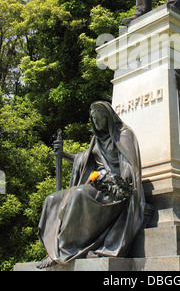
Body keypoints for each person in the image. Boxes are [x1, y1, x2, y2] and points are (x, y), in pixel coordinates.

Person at [38, 101, 145, 268]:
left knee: (79, 194)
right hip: (97, 184)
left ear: (108, 117)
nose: (95, 122)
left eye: (98, 118)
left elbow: (130, 166)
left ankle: (66, 249)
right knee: (52, 199)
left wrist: (118, 183)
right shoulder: (97, 139)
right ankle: (54, 248)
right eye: (93, 119)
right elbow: (84, 159)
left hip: (113, 186)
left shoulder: (123, 134)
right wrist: (63, 154)